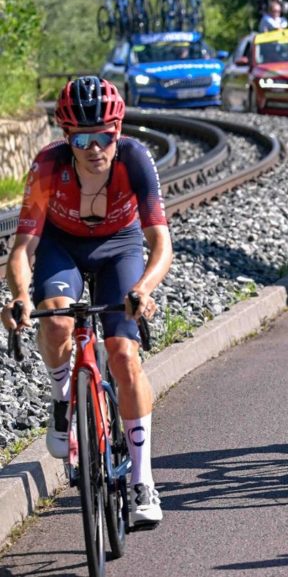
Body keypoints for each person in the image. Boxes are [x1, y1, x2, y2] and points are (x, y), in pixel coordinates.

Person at [1, 77, 172, 528]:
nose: (95, 148)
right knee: (55, 323)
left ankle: (142, 480)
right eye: (82, 138)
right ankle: (62, 399)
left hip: (121, 246)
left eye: (105, 137)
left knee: (123, 355)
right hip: (63, 247)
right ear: (66, 138)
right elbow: (21, 251)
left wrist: (145, 290)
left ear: (118, 132)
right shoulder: (46, 166)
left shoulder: (134, 159)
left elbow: (161, 243)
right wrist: (19, 296)